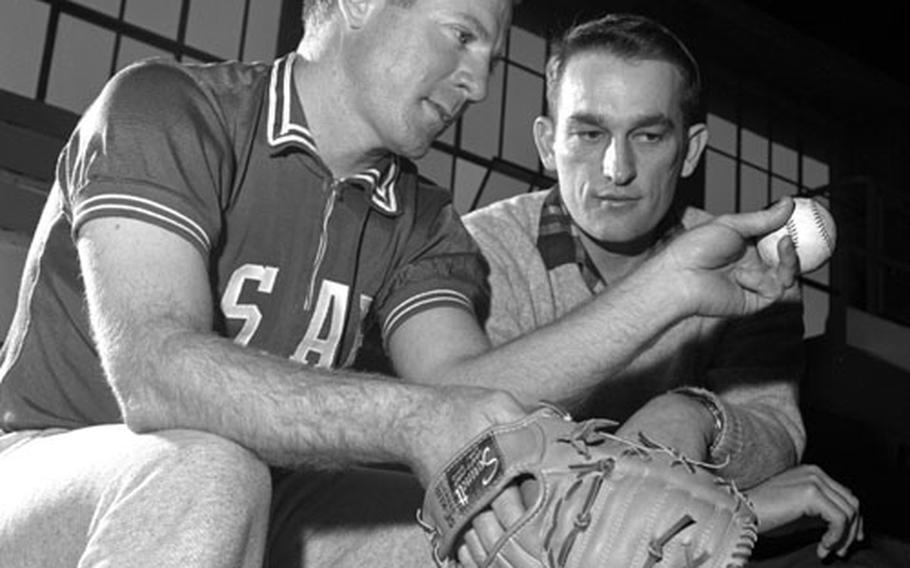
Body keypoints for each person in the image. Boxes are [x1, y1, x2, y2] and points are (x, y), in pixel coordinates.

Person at [0, 2, 806, 567]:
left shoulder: (421, 217)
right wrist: (418, 422)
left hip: (271, 493)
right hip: (49, 469)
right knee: (207, 471)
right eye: (461, 36)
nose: (478, 82)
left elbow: (464, 388)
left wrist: (672, 289)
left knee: (483, 535)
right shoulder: (166, 107)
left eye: (489, 55)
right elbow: (155, 373)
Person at [461, 12, 863, 563]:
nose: (616, 168)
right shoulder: (480, 250)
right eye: (588, 132)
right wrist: (734, 507)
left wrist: (694, 414)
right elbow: (477, 451)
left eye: (648, 136)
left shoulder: (753, 268)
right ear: (547, 144)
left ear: (692, 150)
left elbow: (776, 438)